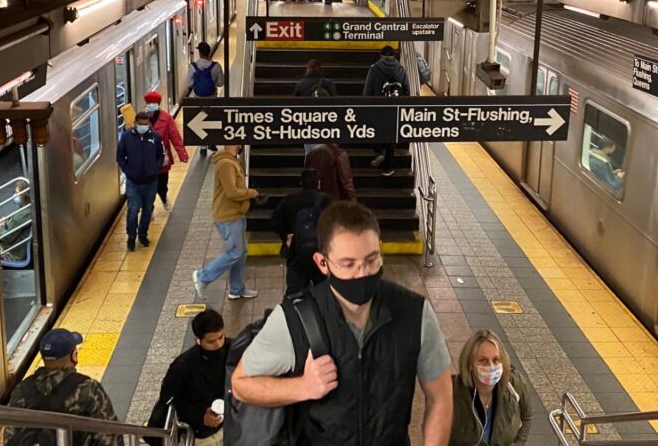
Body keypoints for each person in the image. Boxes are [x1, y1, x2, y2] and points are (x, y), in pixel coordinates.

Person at [230, 201, 453, 446]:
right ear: (322, 263)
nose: (363, 273)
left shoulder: (414, 313)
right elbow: (241, 384)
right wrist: (302, 387)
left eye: (372, 260)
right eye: (348, 264)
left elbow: (439, 397)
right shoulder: (294, 318)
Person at [5, 329, 122, 446]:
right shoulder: (88, 389)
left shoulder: (22, 390)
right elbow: (111, 437)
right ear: (74, 356)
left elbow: (9, 438)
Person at [193, 146, 260, 300]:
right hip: (228, 216)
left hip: (236, 214)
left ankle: (237, 289)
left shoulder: (232, 161)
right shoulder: (226, 164)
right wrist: (251, 193)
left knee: (241, 253)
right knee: (235, 251)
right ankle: (202, 277)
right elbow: (231, 192)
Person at [154, 310, 229, 446]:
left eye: (221, 337)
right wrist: (200, 416)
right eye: (211, 341)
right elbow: (169, 399)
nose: (218, 345)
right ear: (198, 340)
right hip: (203, 436)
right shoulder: (183, 366)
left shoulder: (233, 350)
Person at [450, 330, 533, 446]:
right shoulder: (451, 391)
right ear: (470, 365)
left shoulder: (514, 384)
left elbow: (526, 417)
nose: (491, 366)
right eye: (483, 361)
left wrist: (518, 443)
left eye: (496, 360)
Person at [271, 169, 331, 297]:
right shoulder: (326, 200)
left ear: (301, 183)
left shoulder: (290, 200)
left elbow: (275, 220)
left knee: (294, 293)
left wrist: (286, 235)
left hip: (296, 253)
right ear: (318, 183)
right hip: (320, 252)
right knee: (325, 291)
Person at [116, 111, 164, 251]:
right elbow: (120, 156)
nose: (143, 126)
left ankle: (143, 234)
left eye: (146, 124)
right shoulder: (126, 137)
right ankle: (131, 237)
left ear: (149, 124)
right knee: (133, 210)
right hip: (133, 182)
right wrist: (128, 171)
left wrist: (155, 168)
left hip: (151, 182)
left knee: (147, 210)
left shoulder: (155, 137)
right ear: (135, 123)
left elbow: (160, 155)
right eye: (141, 124)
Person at [363, 45, 410, 176]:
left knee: (376, 129)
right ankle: (388, 168)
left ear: (381, 55)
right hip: (395, 107)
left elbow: (367, 91)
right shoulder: (401, 69)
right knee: (391, 134)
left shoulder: (374, 68)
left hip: (378, 107)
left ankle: (379, 152)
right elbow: (407, 90)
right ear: (394, 56)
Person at [144, 91, 188, 212]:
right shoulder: (141, 118)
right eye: (149, 102)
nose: (151, 105)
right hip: (146, 160)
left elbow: (175, 137)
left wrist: (182, 154)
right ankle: (149, 209)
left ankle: (164, 198)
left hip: (162, 159)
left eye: (153, 103)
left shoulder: (166, 118)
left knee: (162, 186)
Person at [188, 42, 224, 155]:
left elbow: (189, 83)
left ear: (199, 53)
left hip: (198, 98)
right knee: (211, 118)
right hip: (212, 98)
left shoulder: (193, 66)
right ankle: (212, 141)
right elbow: (221, 83)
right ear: (209, 52)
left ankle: (203, 147)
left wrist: (197, 86)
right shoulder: (216, 66)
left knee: (200, 119)